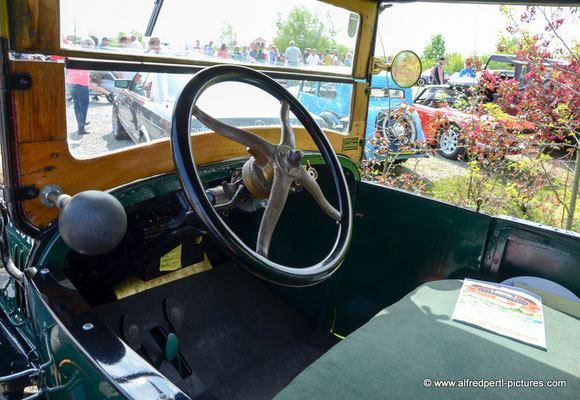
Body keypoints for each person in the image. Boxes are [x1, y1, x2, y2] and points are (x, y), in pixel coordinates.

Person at [67, 37, 94, 135]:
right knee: (84, 105)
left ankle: (81, 121)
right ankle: (81, 127)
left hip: (71, 82)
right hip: (81, 82)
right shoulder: (86, 55)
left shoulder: (74, 52)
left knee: (76, 104)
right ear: (88, 45)